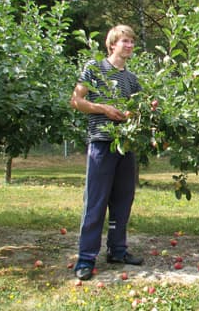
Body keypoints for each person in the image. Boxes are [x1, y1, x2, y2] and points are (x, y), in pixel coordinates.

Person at [70, 25, 144, 281]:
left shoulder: (132, 79)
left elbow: (139, 110)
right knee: (96, 201)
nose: (130, 45)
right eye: (126, 41)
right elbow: (77, 101)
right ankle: (86, 258)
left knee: (123, 201)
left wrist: (132, 114)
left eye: (132, 41)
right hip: (102, 143)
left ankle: (117, 250)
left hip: (126, 145)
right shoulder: (94, 68)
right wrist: (103, 108)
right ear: (112, 44)